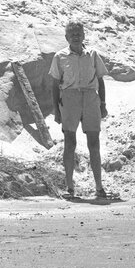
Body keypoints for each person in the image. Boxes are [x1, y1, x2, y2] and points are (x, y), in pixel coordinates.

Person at [48, 21, 113, 200]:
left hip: (91, 98)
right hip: (69, 98)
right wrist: (57, 110)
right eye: (72, 34)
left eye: (79, 33)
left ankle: (99, 188)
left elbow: (100, 80)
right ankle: (69, 188)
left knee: (94, 142)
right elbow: (55, 84)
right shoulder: (59, 57)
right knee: (70, 142)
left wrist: (103, 104)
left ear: (84, 35)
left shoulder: (92, 55)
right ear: (66, 37)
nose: (76, 36)